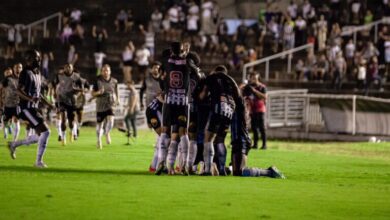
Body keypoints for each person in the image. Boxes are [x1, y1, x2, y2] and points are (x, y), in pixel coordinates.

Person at [7, 50, 55, 168]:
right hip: (25, 108)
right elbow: (19, 90)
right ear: (29, 59)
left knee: (40, 136)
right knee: (46, 132)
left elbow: (38, 94)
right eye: (36, 57)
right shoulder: (25, 73)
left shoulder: (38, 73)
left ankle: (14, 144)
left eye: (39, 57)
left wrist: (48, 104)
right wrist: (30, 99)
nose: (38, 59)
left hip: (33, 108)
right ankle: (38, 162)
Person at [155, 42, 191, 175]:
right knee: (183, 132)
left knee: (165, 131)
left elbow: (161, 74)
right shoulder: (187, 61)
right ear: (182, 50)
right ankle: (185, 166)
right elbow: (196, 72)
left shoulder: (166, 61)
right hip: (182, 102)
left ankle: (161, 163)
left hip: (169, 100)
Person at [199, 65, 240, 175]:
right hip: (229, 111)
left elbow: (203, 95)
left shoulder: (212, 77)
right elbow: (238, 97)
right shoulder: (231, 80)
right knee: (220, 140)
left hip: (218, 109)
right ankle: (221, 168)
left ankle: (207, 170)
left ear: (216, 71)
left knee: (208, 139)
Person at [231, 96, 285, 178]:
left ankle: (269, 172)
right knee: (236, 172)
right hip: (236, 140)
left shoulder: (242, 109)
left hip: (242, 141)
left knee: (240, 171)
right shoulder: (237, 109)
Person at [53, 63, 82, 145]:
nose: (68, 68)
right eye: (66, 67)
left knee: (71, 122)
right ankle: (63, 137)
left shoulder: (77, 77)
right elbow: (54, 85)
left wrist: (76, 93)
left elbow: (82, 88)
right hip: (61, 100)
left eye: (69, 67)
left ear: (72, 68)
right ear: (64, 68)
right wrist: (55, 93)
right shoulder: (59, 76)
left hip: (72, 101)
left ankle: (72, 131)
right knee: (62, 118)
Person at [92, 64, 119, 149]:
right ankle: (98, 140)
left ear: (110, 71)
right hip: (100, 105)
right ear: (101, 71)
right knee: (99, 125)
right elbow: (92, 93)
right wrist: (98, 92)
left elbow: (116, 92)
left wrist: (117, 100)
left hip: (110, 104)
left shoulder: (114, 81)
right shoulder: (97, 81)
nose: (105, 72)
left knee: (111, 122)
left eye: (107, 70)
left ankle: (107, 133)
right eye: (104, 70)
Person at [242, 72, 267, 150]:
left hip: (260, 109)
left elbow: (264, 97)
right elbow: (244, 96)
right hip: (252, 109)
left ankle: (264, 145)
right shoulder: (248, 87)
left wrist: (254, 91)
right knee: (254, 128)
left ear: (258, 77)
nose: (253, 79)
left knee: (262, 127)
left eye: (255, 78)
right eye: (252, 78)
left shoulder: (262, 87)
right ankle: (255, 144)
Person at [2, 64, 22, 142]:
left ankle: (14, 141)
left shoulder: (24, 79)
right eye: (16, 68)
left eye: (20, 67)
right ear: (13, 69)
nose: (18, 69)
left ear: (22, 69)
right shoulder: (8, 79)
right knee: (5, 123)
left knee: (16, 120)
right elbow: (1, 88)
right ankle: (7, 127)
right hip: (7, 104)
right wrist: (1, 100)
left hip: (17, 104)